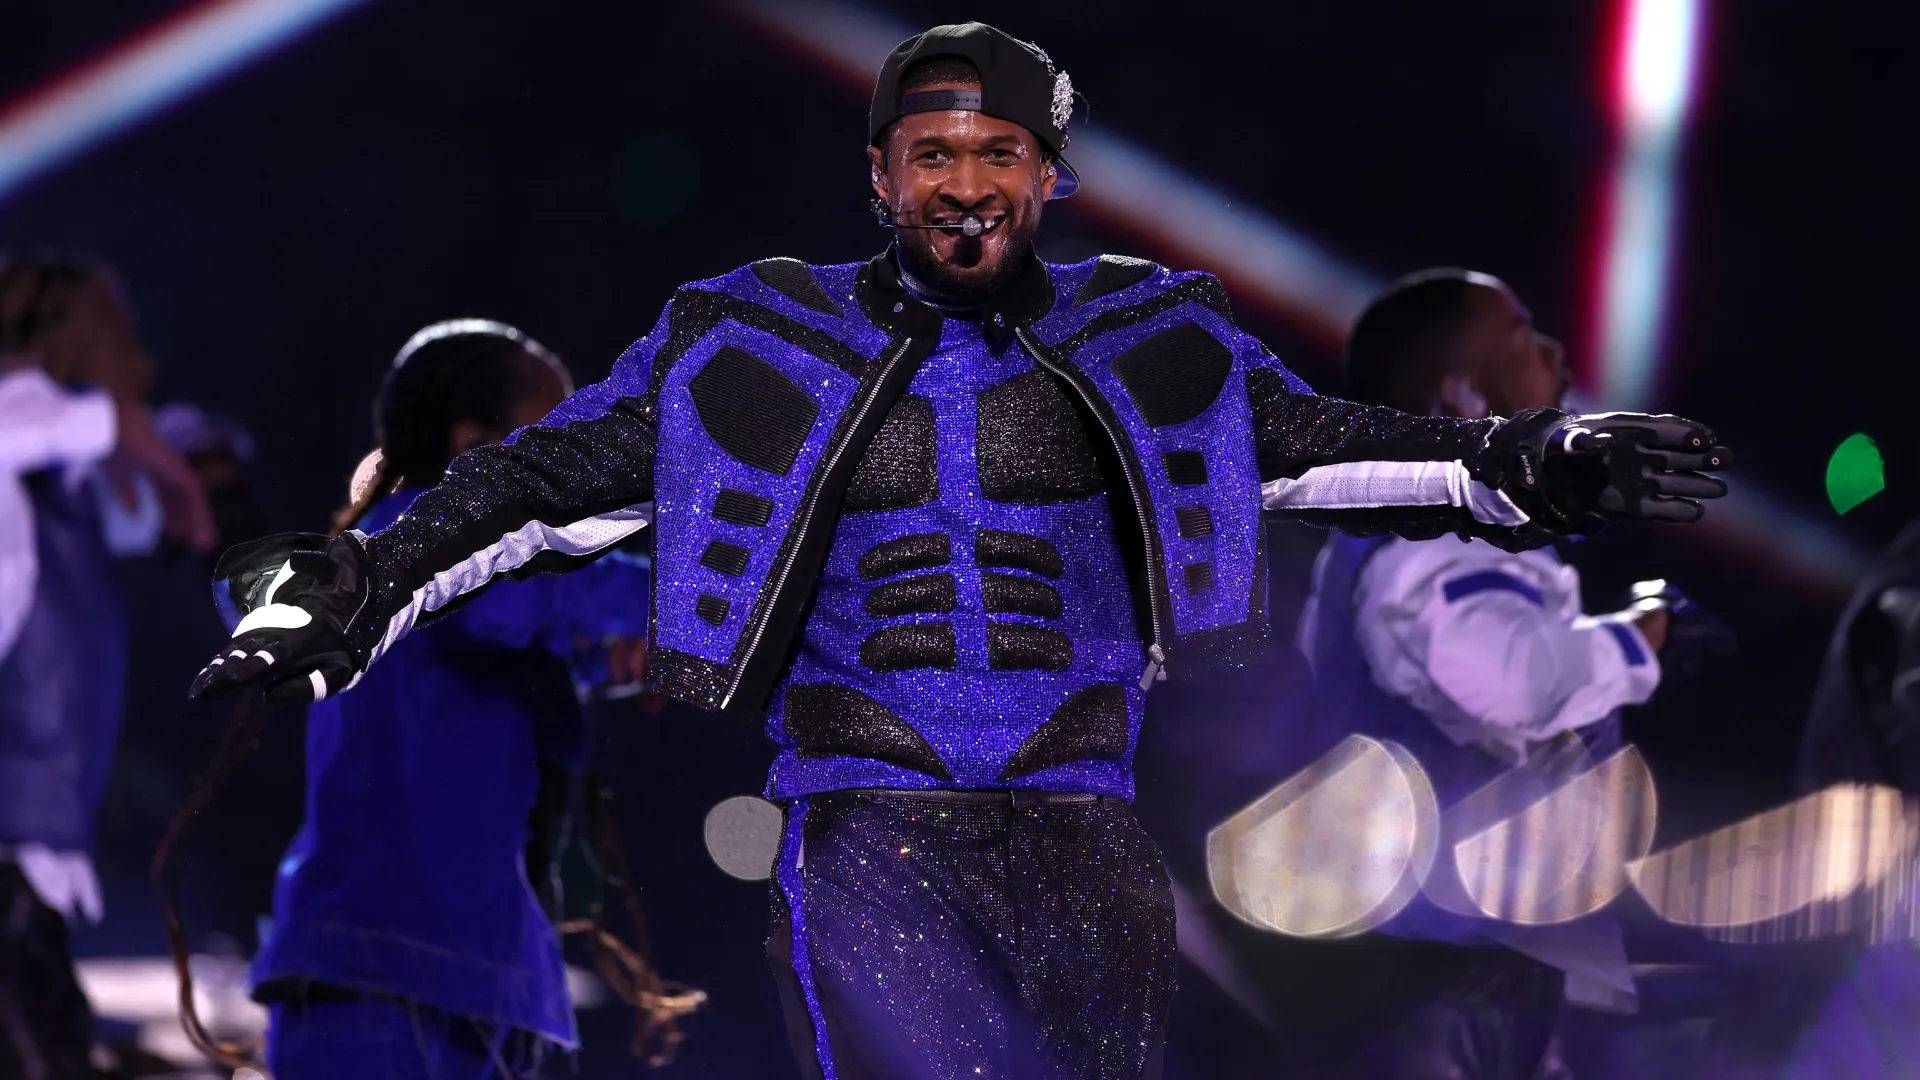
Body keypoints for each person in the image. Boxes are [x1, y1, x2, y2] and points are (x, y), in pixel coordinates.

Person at [189, 24, 1733, 1080]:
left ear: (1049, 173)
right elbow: (543, 478)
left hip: (1080, 829)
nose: (965, 181)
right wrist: (367, 579)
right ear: (879, 176)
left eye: (997, 148)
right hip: (872, 832)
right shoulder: (758, 344)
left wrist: (1529, 462)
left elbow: (1327, 444)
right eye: (930, 152)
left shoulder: (1155, 342)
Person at [1293, 267, 1726, 1079]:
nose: (1557, 352)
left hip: (1470, 977)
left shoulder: (1414, 530)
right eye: (1524, 338)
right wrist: (1650, 628)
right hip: (1466, 988)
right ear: (1459, 397)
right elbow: (1516, 680)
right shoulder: (1435, 536)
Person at [242, 321, 691, 1079]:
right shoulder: (410, 544)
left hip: (477, 990)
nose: (580, 456)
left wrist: (616, 658)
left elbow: (519, 650)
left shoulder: (492, 583)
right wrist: (699, 597)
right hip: (381, 989)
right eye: (554, 432)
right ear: (473, 448)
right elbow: (529, 601)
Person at [0, 254, 215, 1078]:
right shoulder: (22, 458)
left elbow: (149, 511)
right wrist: (115, 428)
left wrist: (174, 453)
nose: (142, 364)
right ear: (69, 344)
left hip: (28, 898)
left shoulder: (59, 489)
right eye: (120, 339)